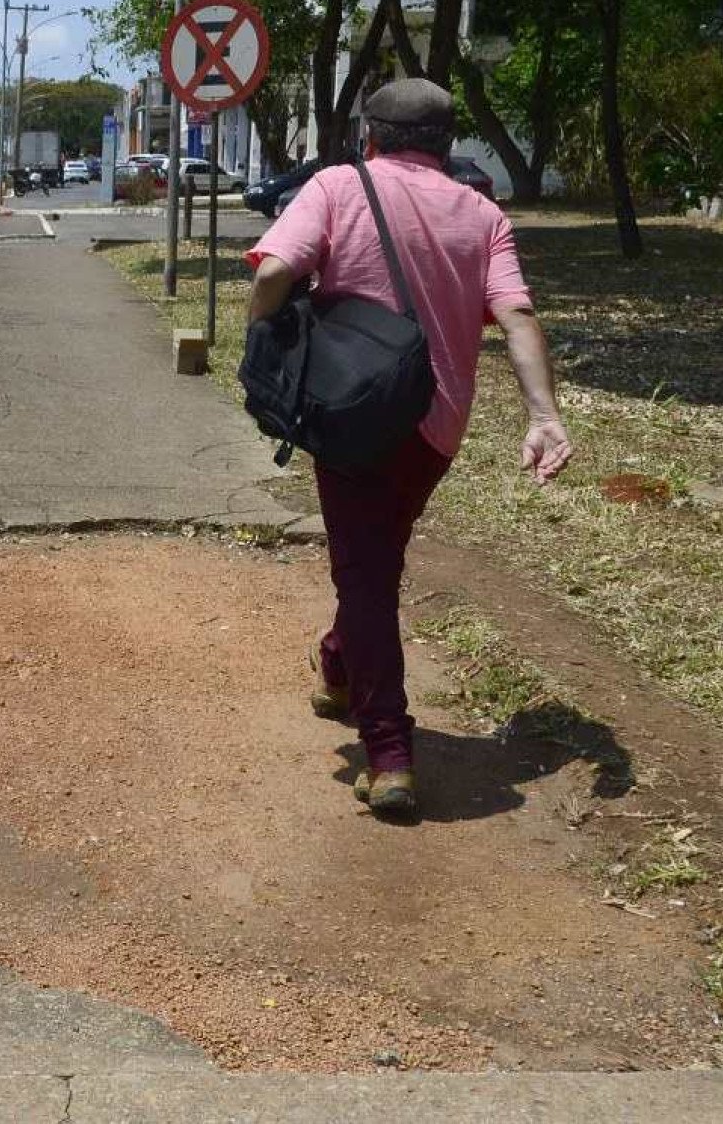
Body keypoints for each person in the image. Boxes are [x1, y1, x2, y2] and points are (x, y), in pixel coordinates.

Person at [243, 78, 573, 816]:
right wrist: (543, 414)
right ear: (447, 144)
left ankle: (390, 752)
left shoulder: (336, 185)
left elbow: (273, 270)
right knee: (373, 560)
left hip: (352, 416)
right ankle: (336, 663)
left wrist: (260, 341)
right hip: (437, 428)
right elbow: (517, 315)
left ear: (370, 136)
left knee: (367, 572)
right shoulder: (485, 215)